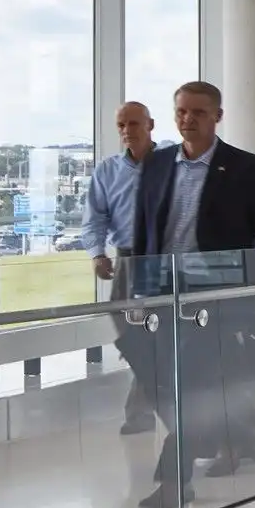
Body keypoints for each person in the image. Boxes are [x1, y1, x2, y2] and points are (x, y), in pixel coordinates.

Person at [128, 81, 255, 508]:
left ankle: (175, 479)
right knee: (173, 386)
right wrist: (138, 287)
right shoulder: (157, 165)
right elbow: (143, 230)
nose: (188, 120)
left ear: (218, 116)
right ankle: (247, 432)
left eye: (199, 113)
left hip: (219, 296)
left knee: (192, 382)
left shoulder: (244, 168)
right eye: (182, 112)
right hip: (166, 295)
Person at [83, 100, 160, 434]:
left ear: (150, 125)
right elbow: (95, 216)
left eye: (133, 123)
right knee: (134, 337)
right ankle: (144, 401)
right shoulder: (107, 170)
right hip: (128, 259)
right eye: (121, 125)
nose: (127, 131)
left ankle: (140, 414)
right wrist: (98, 254)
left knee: (162, 335)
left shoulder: (173, 161)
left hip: (165, 257)